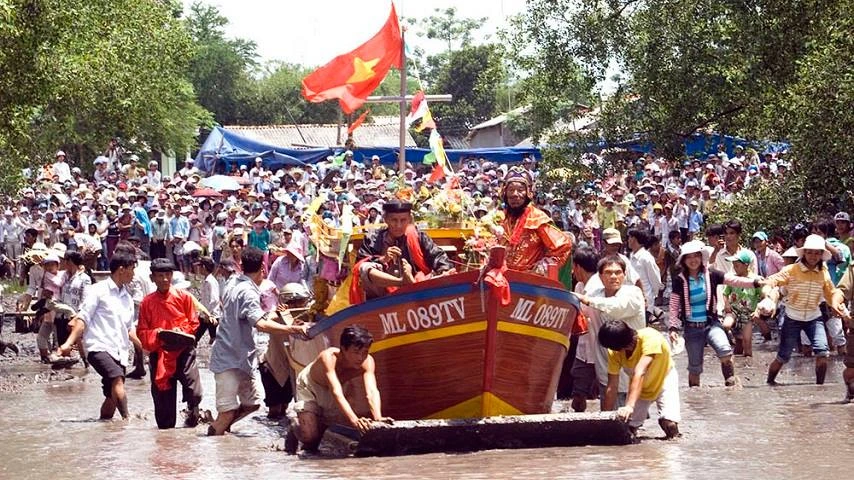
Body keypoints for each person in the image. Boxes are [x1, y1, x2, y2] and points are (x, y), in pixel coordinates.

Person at [208, 247, 309, 436]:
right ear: (263, 267)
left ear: (241, 266)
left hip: (241, 357)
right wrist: (293, 329)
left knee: (252, 404)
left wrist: (277, 313)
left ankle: (219, 429)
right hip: (228, 359)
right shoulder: (248, 292)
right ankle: (216, 434)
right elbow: (261, 324)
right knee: (227, 412)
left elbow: (256, 317)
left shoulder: (233, 282)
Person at [56, 252, 138, 420]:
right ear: (121, 269)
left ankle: (105, 424)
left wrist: (143, 347)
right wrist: (68, 343)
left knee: (111, 396)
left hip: (119, 351)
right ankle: (127, 420)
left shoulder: (127, 298)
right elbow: (82, 319)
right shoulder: (98, 291)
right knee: (117, 380)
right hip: (98, 348)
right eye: (132, 269)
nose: (134, 274)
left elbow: (129, 329)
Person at [667, 240, 761, 387]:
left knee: (725, 351)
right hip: (691, 328)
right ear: (684, 260)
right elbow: (674, 305)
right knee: (695, 368)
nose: (693, 260)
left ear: (701, 257)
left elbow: (733, 280)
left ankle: (731, 385)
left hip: (711, 324)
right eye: (689, 257)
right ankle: (696, 396)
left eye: (696, 256)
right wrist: (673, 328)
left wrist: (754, 283)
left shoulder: (711, 274)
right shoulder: (679, 280)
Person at [760, 234, 846, 385]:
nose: (813, 256)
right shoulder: (792, 270)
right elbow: (772, 281)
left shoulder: (823, 273)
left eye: (817, 253)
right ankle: (769, 382)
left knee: (823, 353)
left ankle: (819, 387)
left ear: (821, 255)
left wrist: (838, 307)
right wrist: (767, 296)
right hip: (792, 317)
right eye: (810, 252)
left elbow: (831, 293)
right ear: (804, 253)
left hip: (814, 317)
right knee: (783, 356)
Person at [291, 325, 390, 453]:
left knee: (313, 445)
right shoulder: (328, 357)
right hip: (311, 387)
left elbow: (372, 391)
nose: (360, 358)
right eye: (356, 352)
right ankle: (295, 425)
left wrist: (378, 418)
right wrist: (355, 421)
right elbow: (336, 392)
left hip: (335, 389)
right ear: (343, 348)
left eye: (365, 352)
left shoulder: (368, 362)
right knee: (309, 436)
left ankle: (310, 426)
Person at [573, 254, 647, 413]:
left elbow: (617, 307)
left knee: (632, 418)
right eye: (608, 272)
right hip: (605, 367)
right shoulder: (594, 294)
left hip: (631, 368)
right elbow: (578, 313)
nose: (613, 276)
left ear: (624, 275)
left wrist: (586, 300)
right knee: (608, 415)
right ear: (600, 276)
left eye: (618, 272)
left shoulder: (633, 293)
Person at [136, 258, 203, 429]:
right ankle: (166, 440)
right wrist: (158, 334)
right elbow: (142, 332)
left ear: (172, 275)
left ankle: (192, 411)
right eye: (160, 275)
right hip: (160, 352)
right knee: (164, 411)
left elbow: (194, 323)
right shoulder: (147, 302)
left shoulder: (184, 297)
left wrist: (182, 331)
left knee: (194, 392)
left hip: (183, 349)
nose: (165, 279)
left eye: (168, 274)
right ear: (152, 278)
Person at [354, 199, 452, 301]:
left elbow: (438, 256)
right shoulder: (372, 238)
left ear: (409, 219)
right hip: (382, 295)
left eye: (403, 220)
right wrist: (383, 259)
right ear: (385, 219)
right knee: (364, 267)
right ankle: (402, 282)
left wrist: (444, 271)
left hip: (416, 289)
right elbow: (359, 266)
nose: (398, 225)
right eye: (394, 220)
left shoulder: (418, 236)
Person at [599, 320, 680, 439]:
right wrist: (605, 419)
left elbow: (640, 371)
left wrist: (629, 406)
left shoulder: (650, 337)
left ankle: (676, 444)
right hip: (639, 387)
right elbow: (612, 385)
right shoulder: (614, 352)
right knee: (627, 428)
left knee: (669, 424)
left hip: (664, 379)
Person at [498, 166, 571, 274]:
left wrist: (543, 267)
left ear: (528, 192)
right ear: (505, 192)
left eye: (520, 190)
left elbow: (563, 245)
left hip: (528, 279)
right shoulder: (498, 218)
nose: (515, 194)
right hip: (500, 277)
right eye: (511, 190)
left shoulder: (537, 218)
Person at [721, 250, 764, 358]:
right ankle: (729, 341)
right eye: (733, 265)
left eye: (737, 265)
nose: (735, 268)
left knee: (747, 345)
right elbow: (725, 293)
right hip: (734, 310)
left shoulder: (756, 280)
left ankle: (746, 364)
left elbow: (763, 297)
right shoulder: (732, 279)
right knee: (726, 325)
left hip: (748, 314)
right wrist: (726, 304)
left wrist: (757, 311)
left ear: (746, 265)